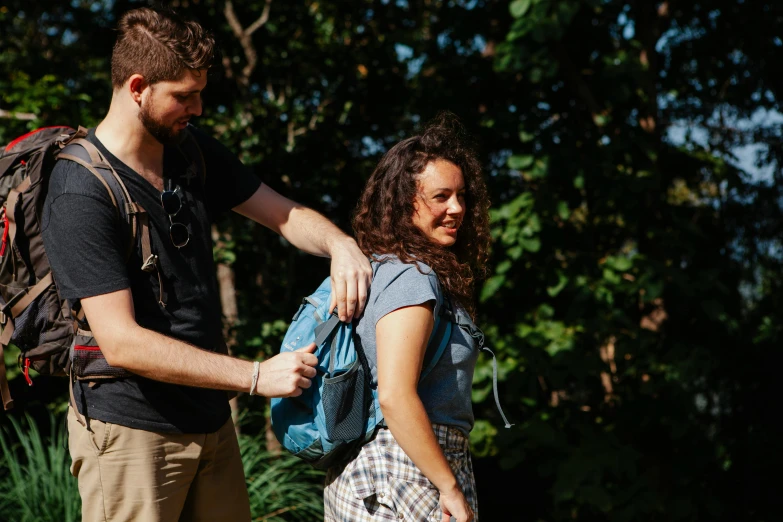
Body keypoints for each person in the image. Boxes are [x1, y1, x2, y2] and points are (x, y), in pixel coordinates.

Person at [41, 6, 371, 522]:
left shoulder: (188, 150)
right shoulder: (80, 190)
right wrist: (255, 376)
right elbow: (121, 341)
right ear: (137, 87)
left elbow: (282, 214)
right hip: (132, 434)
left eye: (200, 93)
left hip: (212, 425)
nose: (197, 108)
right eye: (183, 95)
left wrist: (342, 245)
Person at [323, 114, 491, 522]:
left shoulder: (390, 269)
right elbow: (395, 396)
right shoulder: (412, 276)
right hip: (405, 469)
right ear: (404, 203)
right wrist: (448, 485)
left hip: (396, 467)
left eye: (462, 196)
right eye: (441, 197)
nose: (458, 209)